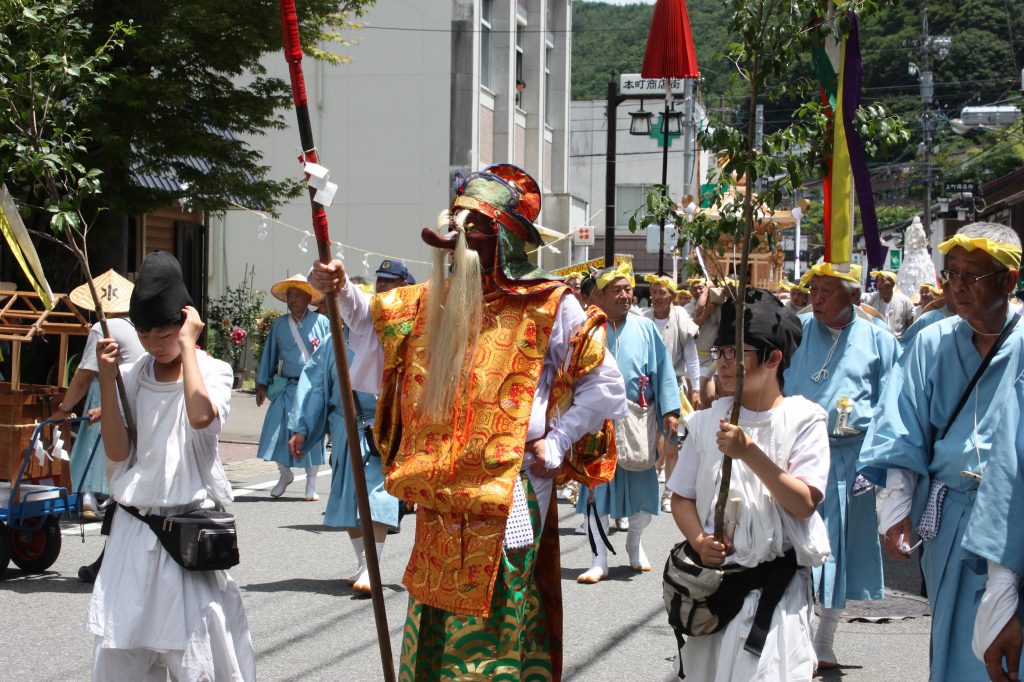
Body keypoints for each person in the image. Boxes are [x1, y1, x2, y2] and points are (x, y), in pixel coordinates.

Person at [309, 163, 625, 680]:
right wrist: (339, 285)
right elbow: (370, 319)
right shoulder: (432, 303)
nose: (456, 246)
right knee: (434, 617)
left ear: (501, 241)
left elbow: (605, 382)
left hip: (510, 492)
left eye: (471, 231)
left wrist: (561, 439)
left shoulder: (549, 306)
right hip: (439, 497)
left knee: (499, 623)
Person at [859, 222, 1024, 682]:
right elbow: (902, 418)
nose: (958, 287)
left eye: (973, 276)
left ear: (1008, 281)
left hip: (1017, 512)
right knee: (955, 637)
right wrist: (895, 504)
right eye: (952, 274)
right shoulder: (932, 340)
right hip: (950, 511)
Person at [86, 251, 254, 681]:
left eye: (164, 332)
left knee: (197, 660)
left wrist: (187, 348)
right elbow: (119, 452)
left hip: (185, 539)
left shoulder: (213, 370)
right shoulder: (129, 375)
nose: (153, 343)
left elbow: (200, 416)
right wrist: (107, 380)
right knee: (122, 656)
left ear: (185, 323)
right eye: (144, 332)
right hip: (132, 531)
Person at [668, 287, 830, 681]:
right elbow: (681, 497)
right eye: (720, 353)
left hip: (778, 594)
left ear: (774, 358)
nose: (723, 364)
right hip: (718, 590)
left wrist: (749, 452)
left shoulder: (805, 420)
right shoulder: (707, 422)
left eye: (736, 354)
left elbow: (804, 502)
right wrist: (698, 541)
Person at [783, 262, 900, 669]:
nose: (816, 298)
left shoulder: (879, 340)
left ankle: (824, 638)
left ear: (852, 296)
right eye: (813, 290)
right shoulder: (795, 328)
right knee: (791, 543)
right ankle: (791, 636)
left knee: (838, 549)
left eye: (826, 292)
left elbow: (892, 406)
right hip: (796, 454)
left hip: (852, 458)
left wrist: (877, 467)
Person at [576, 262, 680, 584]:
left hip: (637, 420)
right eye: (617, 290)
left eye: (628, 289)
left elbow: (664, 372)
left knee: (642, 492)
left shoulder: (645, 327)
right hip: (596, 422)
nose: (626, 295)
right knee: (596, 491)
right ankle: (599, 557)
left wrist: (670, 412)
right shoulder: (588, 329)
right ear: (601, 296)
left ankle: (634, 543)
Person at [289, 327, 399, 594]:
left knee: (378, 494)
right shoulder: (331, 341)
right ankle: (364, 563)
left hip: (382, 425)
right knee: (347, 497)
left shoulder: (389, 334)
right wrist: (302, 428)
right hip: (343, 425)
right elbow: (314, 385)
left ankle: (372, 568)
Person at [53, 270, 146, 583]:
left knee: (122, 490)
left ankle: (111, 562)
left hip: (118, 412)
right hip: (140, 413)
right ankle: (111, 560)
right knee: (129, 494)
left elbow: (82, 375)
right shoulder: (136, 327)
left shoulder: (102, 327)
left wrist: (62, 409)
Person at [255, 274, 330, 500]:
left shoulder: (323, 323)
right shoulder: (279, 324)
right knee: (275, 431)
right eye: (290, 295)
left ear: (309, 297)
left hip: (314, 389)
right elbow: (269, 354)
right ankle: (284, 474)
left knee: (313, 436)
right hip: (287, 386)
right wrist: (261, 382)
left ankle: (311, 484)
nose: (293, 299)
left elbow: (331, 356)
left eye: (298, 295)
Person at [642, 274, 700, 512]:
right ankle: (648, 488)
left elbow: (692, 359)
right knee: (646, 439)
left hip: (672, 385)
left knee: (671, 440)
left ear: (672, 297)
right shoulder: (642, 318)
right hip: (644, 386)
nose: (656, 297)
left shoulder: (681, 319)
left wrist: (695, 387)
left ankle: (669, 492)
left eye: (661, 292)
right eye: (654, 292)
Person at [686, 276, 723, 407]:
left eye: (701, 288)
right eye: (694, 289)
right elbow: (691, 329)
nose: (698, 292)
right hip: (692, 359)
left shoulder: (718, 307)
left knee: (709, 396)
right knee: (692, 398)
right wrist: (704, 313)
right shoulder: (687, 309)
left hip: (711, 358)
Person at [864, 269, 914, 340]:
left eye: (883, 281)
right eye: (877, 281)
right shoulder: (871, 299)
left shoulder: (905, 301)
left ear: (892, 284)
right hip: (877, 341)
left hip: (898, 343)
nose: (879, 284)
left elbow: (910, 326)